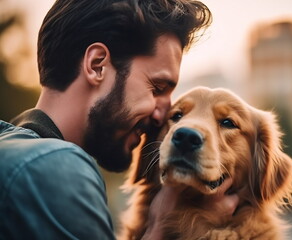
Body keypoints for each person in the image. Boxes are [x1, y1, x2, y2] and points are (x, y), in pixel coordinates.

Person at [0, 0, 239, 239]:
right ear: (97, 66)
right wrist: (160, 228)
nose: (163, 116)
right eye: (157, 88)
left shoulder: (11, 148)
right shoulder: (53, 167)